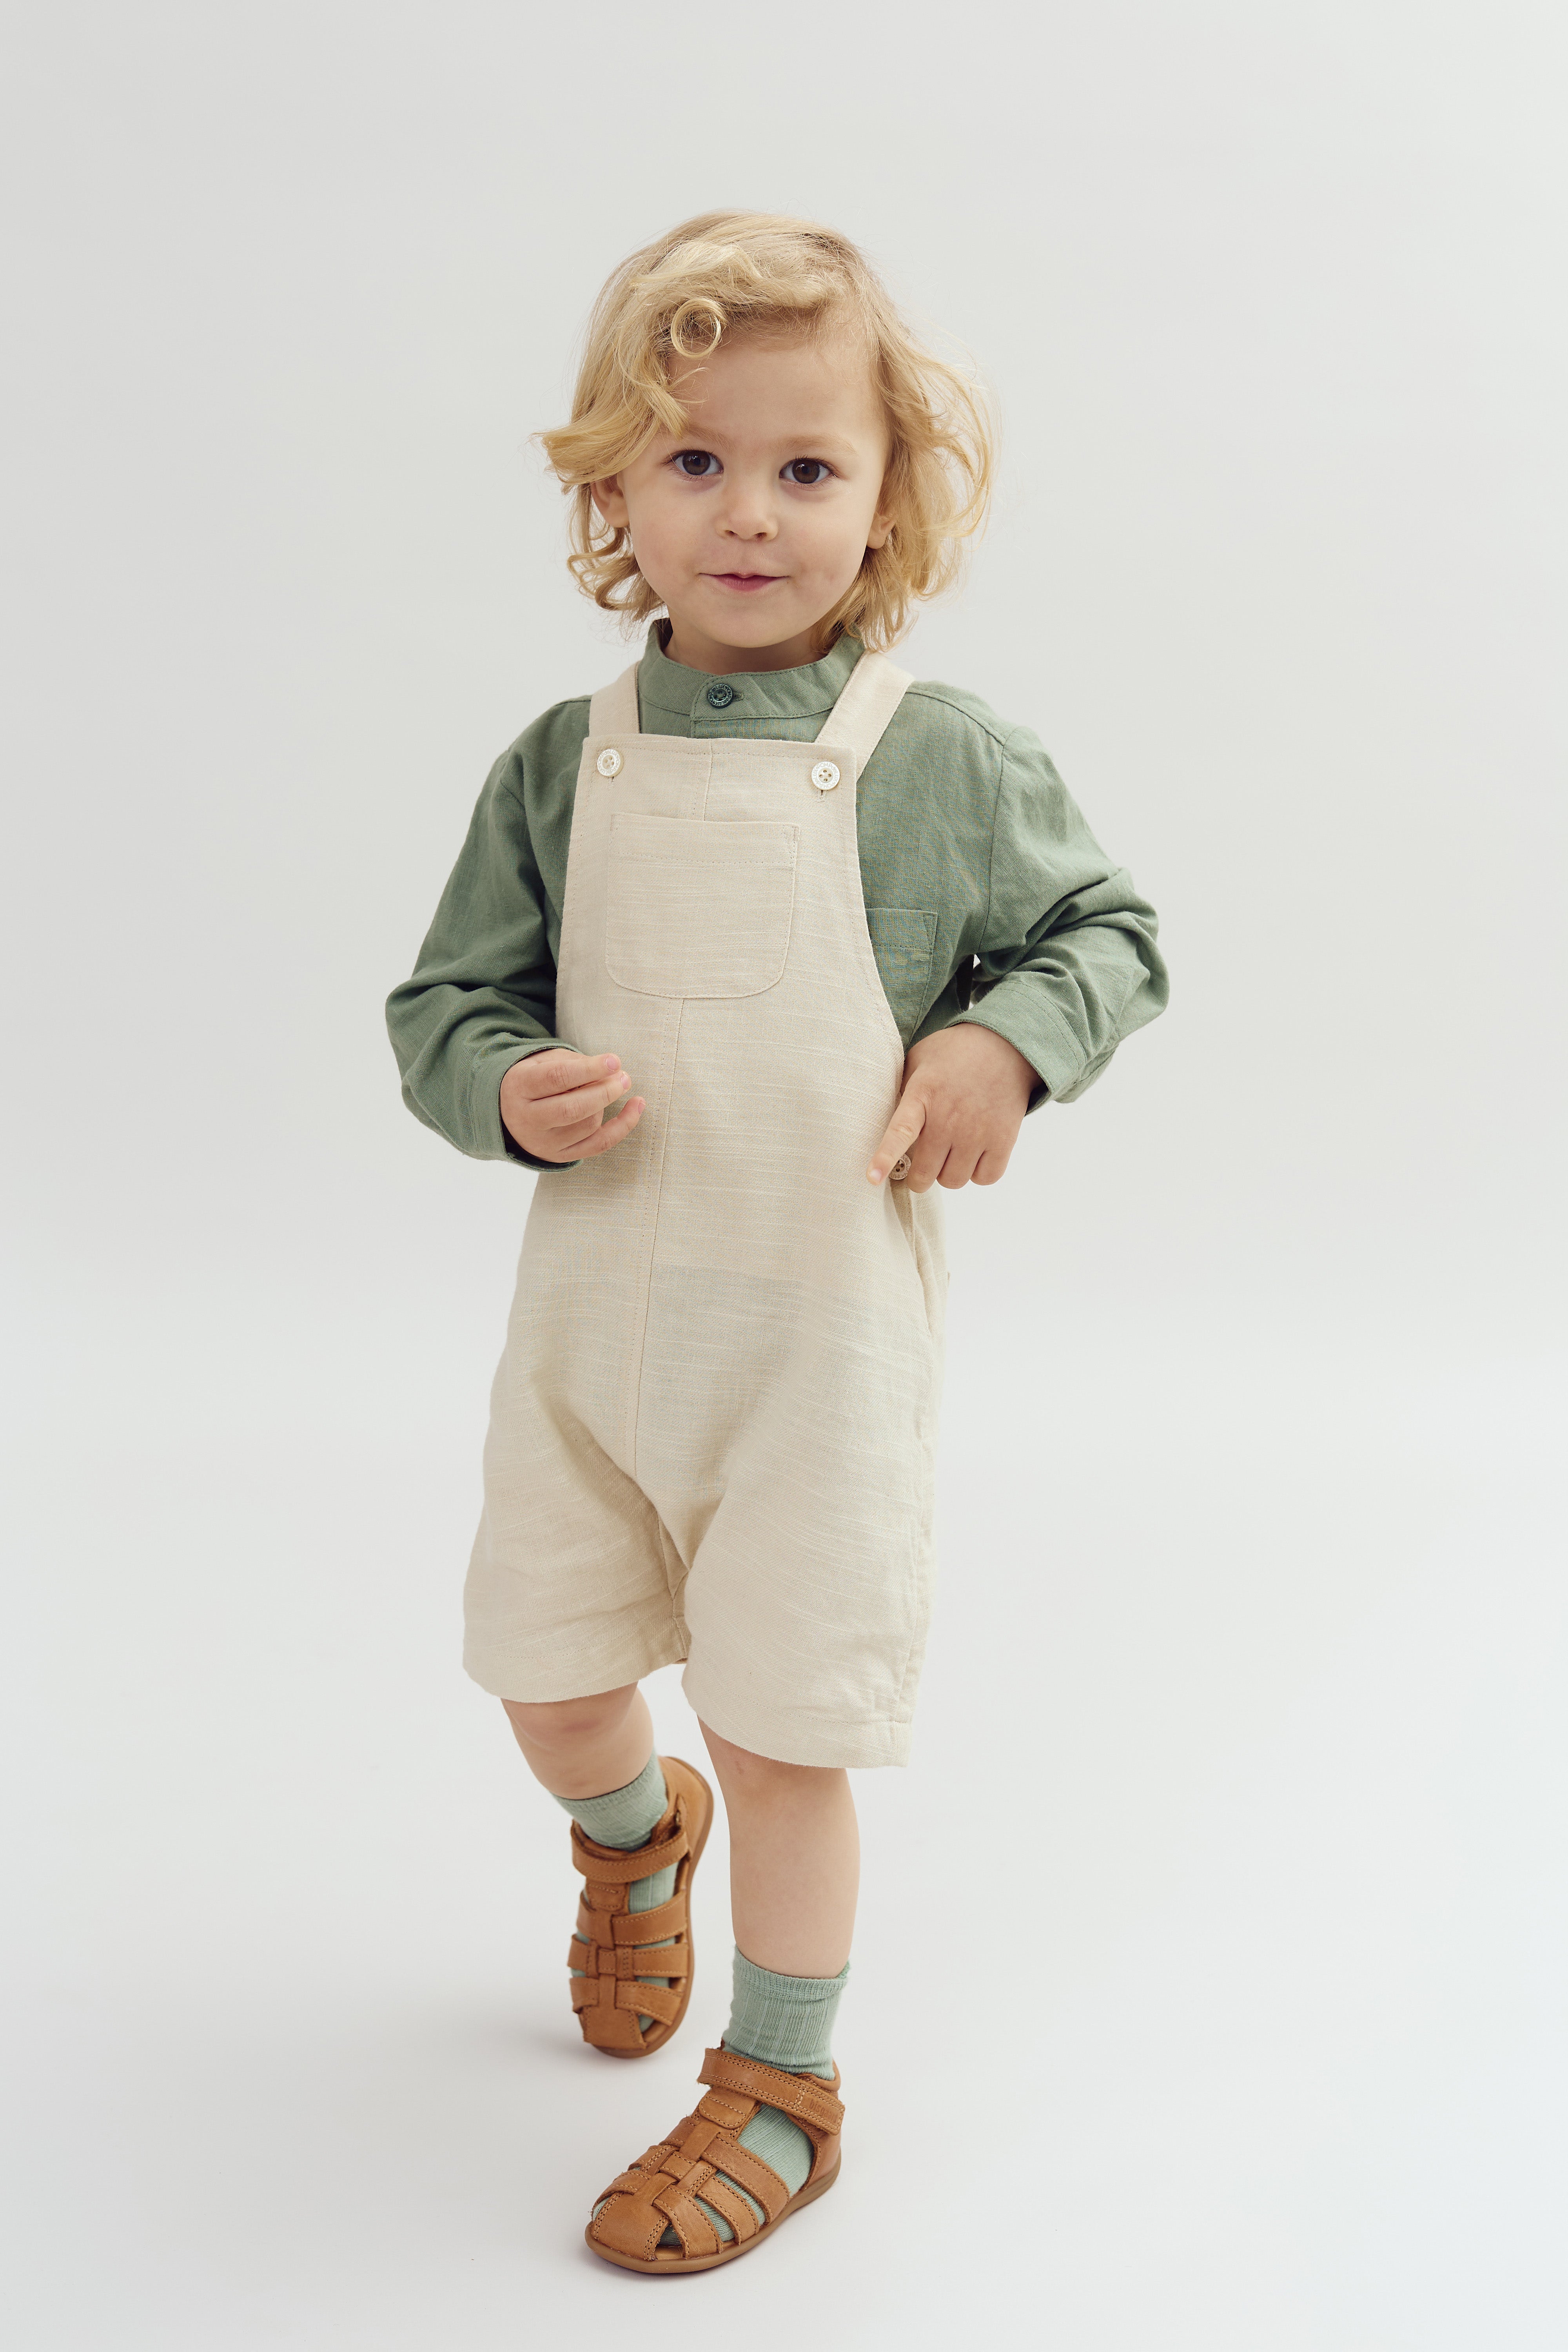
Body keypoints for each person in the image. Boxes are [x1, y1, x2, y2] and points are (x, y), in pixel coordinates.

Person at [386, 211, 1167, 2274]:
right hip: (593, 1338)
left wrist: (1005, 1044)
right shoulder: (566, 765)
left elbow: (1113, 935)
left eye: (808, 468)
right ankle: (634, 1847)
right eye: (698, 462)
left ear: (888, 496)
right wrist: (499, 1084)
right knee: (555, 1692)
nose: (752, 514)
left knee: (783, 1718)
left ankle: (786, 2088)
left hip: (817, 1357)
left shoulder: (938, 760)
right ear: (614, 494)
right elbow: (442, 1006)